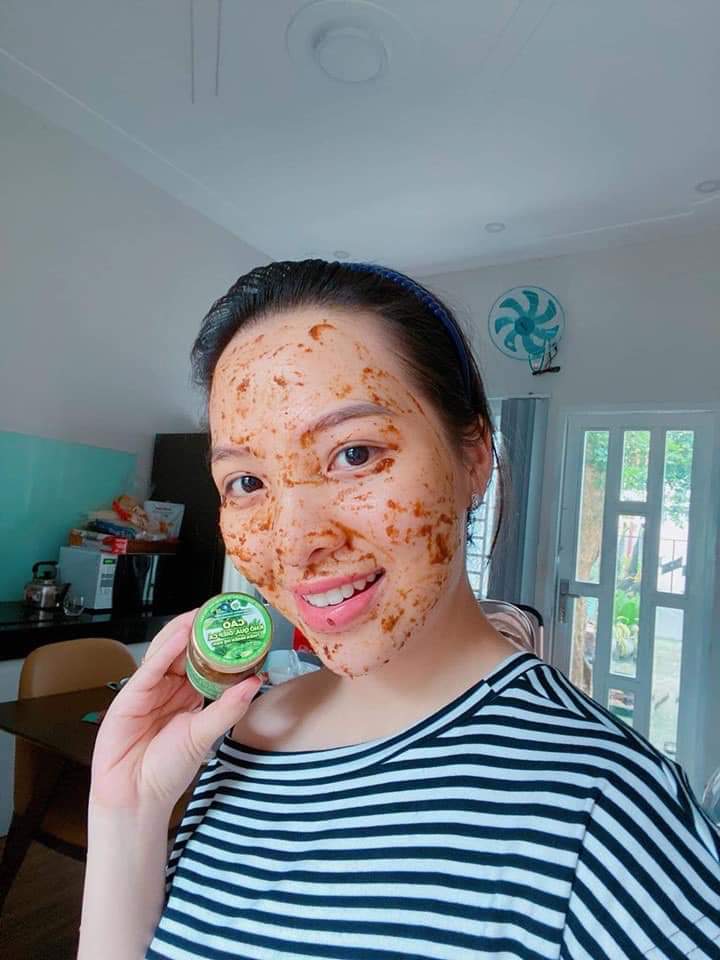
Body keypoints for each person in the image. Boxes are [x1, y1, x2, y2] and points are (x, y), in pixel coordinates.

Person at [78, 260, 720, 960]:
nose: (294, 544)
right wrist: (128, 809)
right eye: (248, 482)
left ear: (474, 457)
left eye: (353, 453)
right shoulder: (238, 738)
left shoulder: (606, 809)